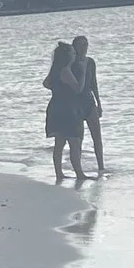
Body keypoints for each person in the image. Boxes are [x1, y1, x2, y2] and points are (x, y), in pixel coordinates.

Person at [42, 41, 87, 183]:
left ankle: (59, 173)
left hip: (55, 106)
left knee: (59, 142)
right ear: (68, 56)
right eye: (73, 53)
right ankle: (79, 173)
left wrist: (58, 88)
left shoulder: (55, 69)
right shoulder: (66, 70)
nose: (75, 55)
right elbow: (77, 88)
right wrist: (83, 73)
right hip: (67, 108)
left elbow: (46, 83)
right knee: (74, 141)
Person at [70, 34, 105, 175]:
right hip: (75, 104)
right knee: (78, 138)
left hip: (89, 102)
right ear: (75, 47)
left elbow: (94, 84)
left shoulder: (90, 62)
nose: (84, 47)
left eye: (86, 44)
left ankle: (101, 167)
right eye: (81, 45)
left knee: (97, 136)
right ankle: (79, 170)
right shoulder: (70, 64)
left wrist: (99, 103)